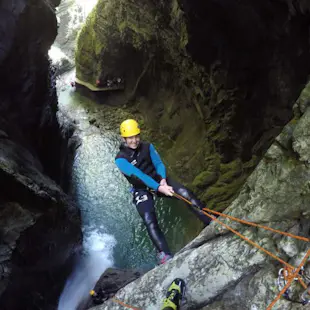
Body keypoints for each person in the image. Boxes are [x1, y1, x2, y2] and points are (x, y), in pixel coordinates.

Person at [115, 119, 213, 264]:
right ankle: (164, 254)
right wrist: (159, 188)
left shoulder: (147, 147)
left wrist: (163, 180)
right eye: (130, 138)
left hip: (159, 180)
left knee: (185, 194)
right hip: (142, 188)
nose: (134, 140)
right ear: (124, 139)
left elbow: (159, 163)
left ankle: (209, 220)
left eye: (136, 136)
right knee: (149, 218)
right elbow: (139, 176)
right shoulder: (121, 159)